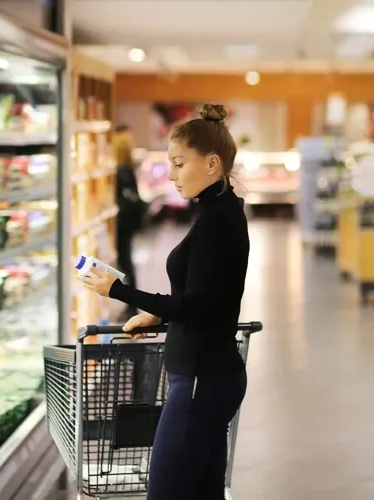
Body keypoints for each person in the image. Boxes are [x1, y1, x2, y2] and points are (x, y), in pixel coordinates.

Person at [78, 103, 249, 500]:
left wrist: (117, 291)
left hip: (200, 381)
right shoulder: (221, 212)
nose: (171, 175)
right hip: (207, 377)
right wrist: (156, 315)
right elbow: (208, 297)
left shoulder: (216, 223)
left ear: (211, 164)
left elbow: (197, 307)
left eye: (178, 164)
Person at [112, 124, 144, 320]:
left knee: (125, 261)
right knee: (127, 261)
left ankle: (131, 304)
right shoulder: (128, 166)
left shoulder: (120, 170)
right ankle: (131, 303)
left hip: (122, 222)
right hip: (129, 221)